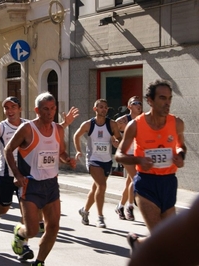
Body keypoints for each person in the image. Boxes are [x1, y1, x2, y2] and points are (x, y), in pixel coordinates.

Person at [0, 96, 79, 243]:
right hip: (7, 175)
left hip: (26, 176)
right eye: (6, 108)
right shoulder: (0, 127)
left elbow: (49, 131)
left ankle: (22, 243)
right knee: (4, 207)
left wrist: (64, 124)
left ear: (20, 109)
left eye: (13, 107)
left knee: (27, 215)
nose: (10, 111)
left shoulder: (29, 125)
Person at [4, 92, 76, 265]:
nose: (50, 113)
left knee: (53, 227)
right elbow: (8, 149)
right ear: (37, 110)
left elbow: (61, 152)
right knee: (32, 230)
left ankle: (40, 261)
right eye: (45, 109)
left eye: (53, 109)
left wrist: (67, 159)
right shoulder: (28, 129)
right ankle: (19, 234)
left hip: (51, 184)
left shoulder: (58, 129)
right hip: (30, 185)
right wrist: (17, 174)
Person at [115, 79, 186, 252]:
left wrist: (180, 155)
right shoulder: (135, 125)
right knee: (162, 241)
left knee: (167, 237)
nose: (167, 103)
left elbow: (180, 145)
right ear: (150, 101)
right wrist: (139, 160)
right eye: (162, 98)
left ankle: (138, 244)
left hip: (169, 183)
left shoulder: (176, 123)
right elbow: (119, 155)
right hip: (146, 183)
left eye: (169, 98)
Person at [74, 98, 122, 228]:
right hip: (93, 159)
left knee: (96, 187)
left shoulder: (112, 124)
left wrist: (117, 143)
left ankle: (84, 210)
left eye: (105, 107)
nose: (104, 109)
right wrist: (78, 151)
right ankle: (100, 217)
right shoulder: (88, 124)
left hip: (106, 160)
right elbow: (76, 135)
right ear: (95, 109)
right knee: (101, 186)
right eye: (101, 107)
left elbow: (119, 138)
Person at [129, 195, 199, 266]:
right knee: (166, 246)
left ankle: (139, 243)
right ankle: (139, 244)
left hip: (168, 189)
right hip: (148, 189)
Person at [114, 96, 142, 221]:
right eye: (135, 103)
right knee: (135, 178)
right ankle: (130, 207)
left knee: (129, 182)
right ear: (129, 106)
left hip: (138, 154)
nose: (138, 105)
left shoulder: (143, 119)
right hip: (127, 155)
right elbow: (111, 130)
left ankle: (120, 206)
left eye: (140, 103)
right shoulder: (123, 120)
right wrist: (116, 142)